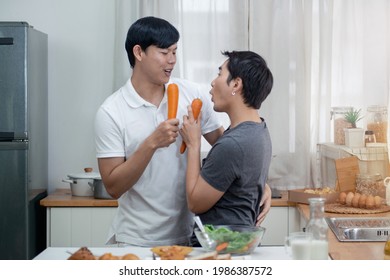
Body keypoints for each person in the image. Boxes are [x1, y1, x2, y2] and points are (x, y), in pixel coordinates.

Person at [94, 16, 272, 247]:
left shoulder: (194, 95)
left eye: (175, 52)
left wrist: (259, 183)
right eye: (164, 52)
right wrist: (151, 144)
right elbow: (113, 187)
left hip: (192, 236)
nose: (172, 60)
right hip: (137, 239)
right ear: (139, 53)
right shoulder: (111, 112)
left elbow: (230, 152)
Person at [180, 51, 273, 239]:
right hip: (239, 243)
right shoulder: (259, 129)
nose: (213, 82)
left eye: (220, 74)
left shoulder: (232, 144)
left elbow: (195, 203)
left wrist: (193, 143)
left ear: (236, 84)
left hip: (222, 248)